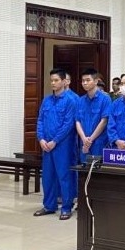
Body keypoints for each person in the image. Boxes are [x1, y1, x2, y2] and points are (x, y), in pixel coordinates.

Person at [34, 68, 77, 220]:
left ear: (64, 81)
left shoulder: (70, 101)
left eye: (56, 80)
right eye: (51, 80)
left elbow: (68, 124)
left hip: (62, 145)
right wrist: (41, 138)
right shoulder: (47, 100)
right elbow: (40, 120)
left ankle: (66, 207)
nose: (53, 83)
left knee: (64, 176)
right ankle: (49, 205)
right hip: (46, 144)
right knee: (47, 176)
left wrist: (55, 140)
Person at [75, 68, 111, 164]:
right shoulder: (80, 100)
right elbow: (77, 121)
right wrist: (84, 139)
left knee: (98, 170)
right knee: (84, 169)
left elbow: (104, 121)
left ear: (96, 81)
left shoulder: (105, 99)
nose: (85, 83)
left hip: (98, 142)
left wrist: (90, 140)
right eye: (83, 81)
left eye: (88, 80)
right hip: (84, 142)